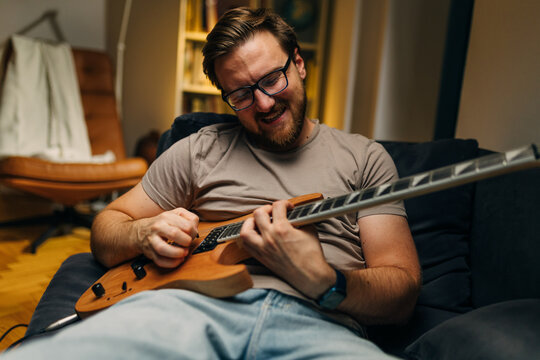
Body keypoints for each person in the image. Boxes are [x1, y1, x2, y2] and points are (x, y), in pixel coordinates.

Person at [1, 7, 421, 359]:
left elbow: (401, 291)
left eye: (272, 79)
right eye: (240, 94)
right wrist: (142, 232)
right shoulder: (199, 149)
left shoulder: (365, 159)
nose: (263, 103)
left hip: (320, 324)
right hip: (187, 311)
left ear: (299, 63)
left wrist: (327, 280)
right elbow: (106, 226)